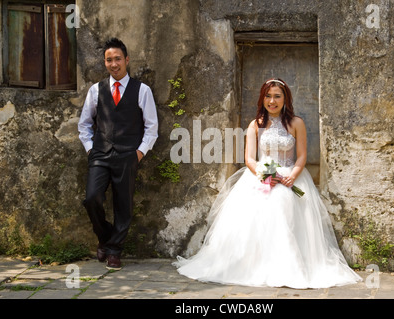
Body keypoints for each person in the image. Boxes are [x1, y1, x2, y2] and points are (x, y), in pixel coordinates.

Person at [174, 78, 362, 288]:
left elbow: (301, 156)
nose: (272, 101)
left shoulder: (296, 123)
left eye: (277, 96)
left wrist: (294, 174)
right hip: (260, 176)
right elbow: (250, 159)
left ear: (285, 99)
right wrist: (265, 175)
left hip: (291, 177)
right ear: (262, 98)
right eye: (268, 96)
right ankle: (252, 266)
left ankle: (288, 266)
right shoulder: (256, 125)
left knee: (284, 202)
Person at [78, 38, 158, 270]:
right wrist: (91, 149)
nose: (114, 64)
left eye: (118, 59)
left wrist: (139, 154)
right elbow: (84, 124)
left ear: (126, 60)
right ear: (105, 62)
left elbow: (151, 127)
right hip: (100, 154)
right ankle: (105, 238)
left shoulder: (142, 90)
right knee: (92, 198)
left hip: (128, 156)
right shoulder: (96, 90)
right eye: (109, 60)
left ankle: (114, 251)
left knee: (124, 205)